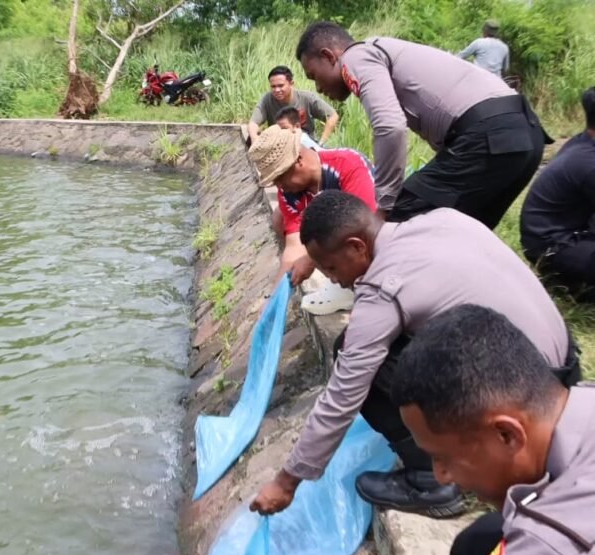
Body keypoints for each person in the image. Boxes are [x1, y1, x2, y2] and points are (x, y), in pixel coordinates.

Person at [249, 192, 579, 518]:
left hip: (525, 394)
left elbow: (342, 395)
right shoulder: (441, 220)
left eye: (332, 267)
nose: (334, 279)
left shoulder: (382, 288)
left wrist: (287, 481)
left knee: (365, 365)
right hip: (562, 364)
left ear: (357, 246)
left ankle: (429, 482)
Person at [391, 304, 594, 555]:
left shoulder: (548, 554)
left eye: (442, 458)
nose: (441, 475)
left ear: (506, 434)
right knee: (478, 541)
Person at [295, 21, 550, 229]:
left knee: (400, 222)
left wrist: (384, 206)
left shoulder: (356, 57)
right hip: (526, 134)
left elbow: (390, 127)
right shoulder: (385, 50)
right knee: (465, 236)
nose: (318, 88)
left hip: (491, 134)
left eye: (314, 76)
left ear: (329, 56)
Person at [248, 125, 376, 315]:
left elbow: (367, 229)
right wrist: (274, 302)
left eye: (280, 178)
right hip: (342, 253)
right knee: (281, 221)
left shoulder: (348, 166)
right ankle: (343, 285)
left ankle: (366, 289)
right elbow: (293, 248)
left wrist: (309, 260)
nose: (279, 187)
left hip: (375, 246)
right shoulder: (289, 192)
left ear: (298, 160)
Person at [521, 86, 595, 300]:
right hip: (554, 247)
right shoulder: (588, 162)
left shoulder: (582, 142)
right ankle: (567, 282)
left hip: (552, 240)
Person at [247, 65, 339, 148]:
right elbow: (253, 123)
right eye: (273, 86)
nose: (277, 90)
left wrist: (321, 143)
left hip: (305, 144)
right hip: (279, 146)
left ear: (291, 83)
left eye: (281, 86)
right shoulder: (267, 99)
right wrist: (254, 138)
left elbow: (332, 116)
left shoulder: (307, 98)